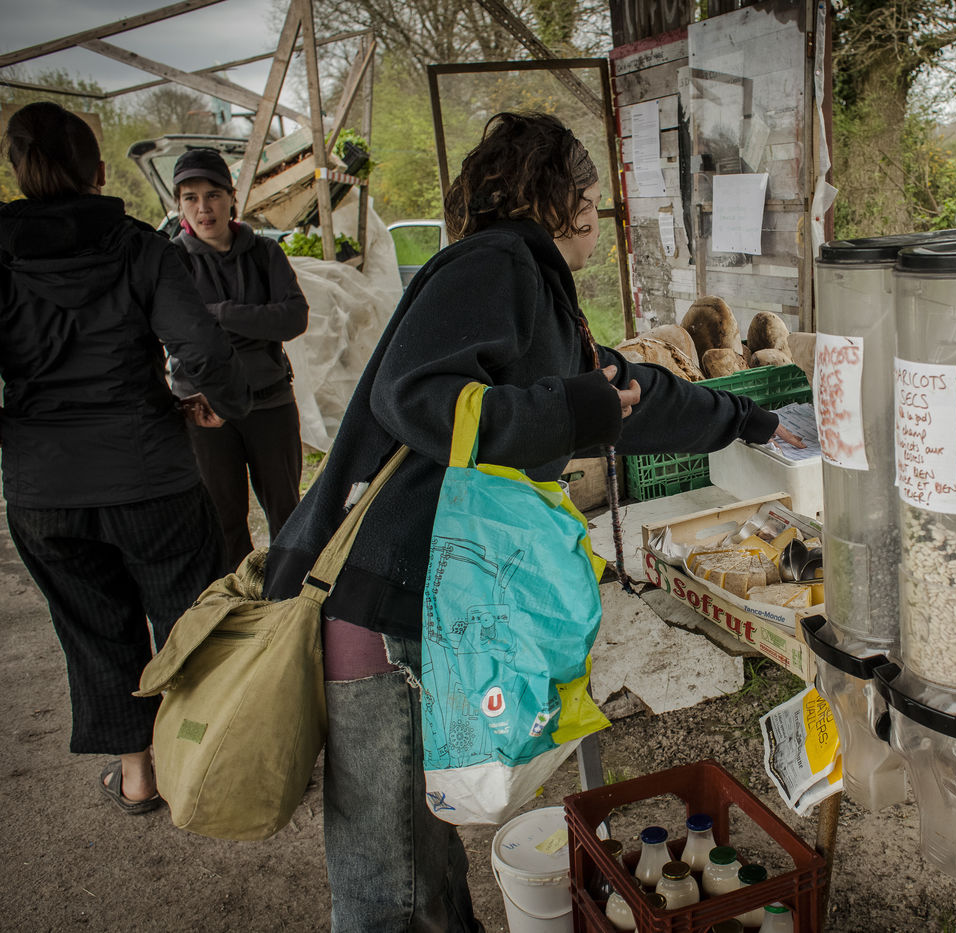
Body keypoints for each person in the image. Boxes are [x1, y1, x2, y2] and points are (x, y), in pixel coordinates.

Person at [264, 111, 800, 932]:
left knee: (424, 855)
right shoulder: (493, 265)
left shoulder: (536, 288)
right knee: (389, 885)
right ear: (568, 201)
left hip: (436, 605)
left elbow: (625, 392)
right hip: (389, 606)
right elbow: (411, 395)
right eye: (591, 197)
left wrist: (747, 419)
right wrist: (570, 409)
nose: (597, 216)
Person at [0, 102, 251, 813]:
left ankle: (138, 775)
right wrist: (223, 403)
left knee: (93, 629)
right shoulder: (140, 246)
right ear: (101, 173)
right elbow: (201, 348)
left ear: (18, 173)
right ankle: (199, 765)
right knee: (187, 621)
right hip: (150, 474)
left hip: (45, 486)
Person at [170, 147, 310, 573]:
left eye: (213, 194)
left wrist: (218, 314)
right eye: (191, 197)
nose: (203, 207)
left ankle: (288, 599)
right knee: (222, 518)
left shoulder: (265, 254)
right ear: (179, 204)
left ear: (232, 198)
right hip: (204, 408)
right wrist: (257, 321)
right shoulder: (171, 261)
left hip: (269, 402)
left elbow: (293, 318)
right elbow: (175, 333)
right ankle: (236, 600)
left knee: (287, 513)